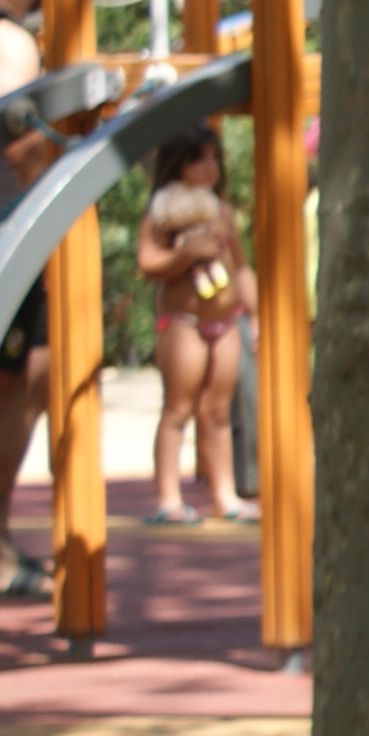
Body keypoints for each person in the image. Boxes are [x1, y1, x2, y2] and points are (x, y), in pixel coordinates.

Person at [133, 131, 251, 524]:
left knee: (217, 411)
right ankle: (168, 497)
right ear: (178, 164)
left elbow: (241, 264)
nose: (210, 167)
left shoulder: (222, 211)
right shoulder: (162, 210)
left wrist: (255, 310)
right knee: (178, 408)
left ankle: (225, 495)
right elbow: (148, 263)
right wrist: (184, 255)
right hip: (183, 323)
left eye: (214, 158)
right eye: (198, 159)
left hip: (225, 322)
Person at [0, 0, 53, 598]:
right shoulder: (13, 42)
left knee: (32, 379)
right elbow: (20, 146)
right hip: (10, 230)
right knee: (24, 381)